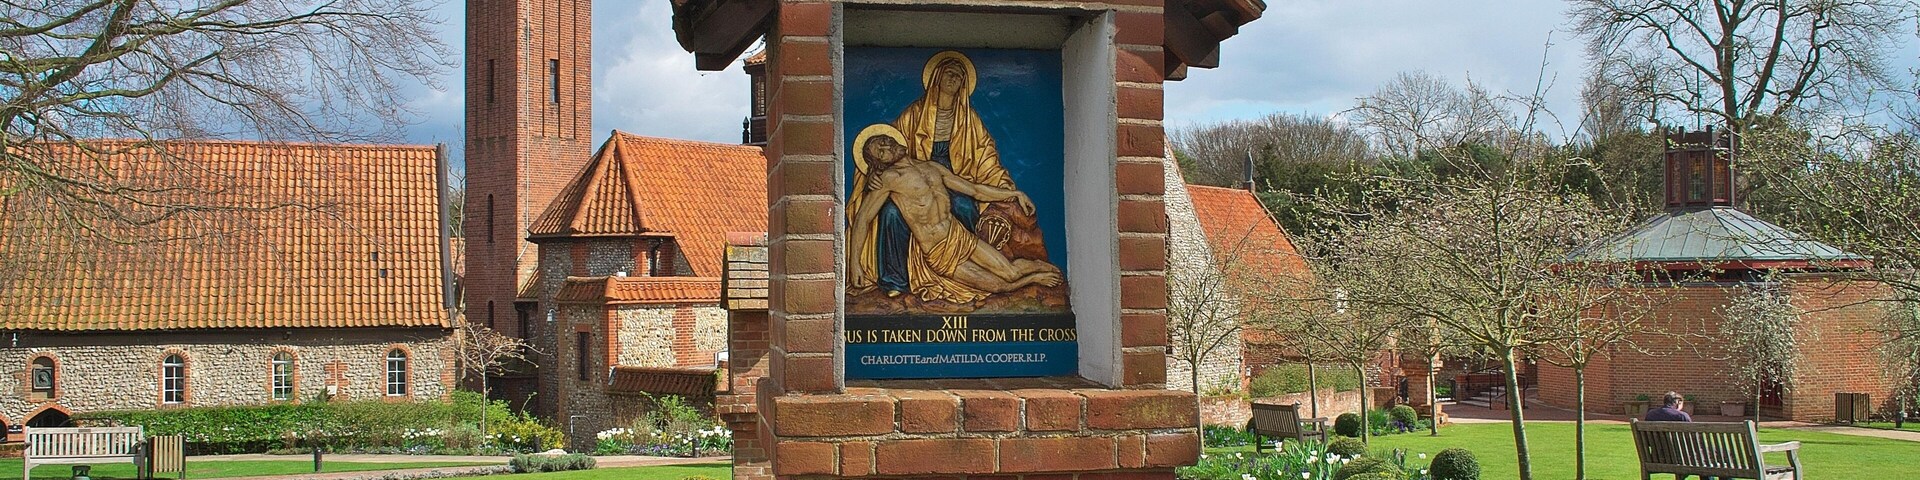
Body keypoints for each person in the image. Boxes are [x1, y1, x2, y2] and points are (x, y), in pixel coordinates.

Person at [848, 124, 1062, 304]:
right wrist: (855, 263)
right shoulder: (888, 179)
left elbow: (975, 190)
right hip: (940, 253)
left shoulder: (932, 168)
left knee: (1011, 272)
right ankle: (1035, 278)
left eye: (883, 140)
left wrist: (1015, 193)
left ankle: (1038, 266)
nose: (886, 145)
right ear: (879, 162)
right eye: (880, 151)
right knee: (999, 285)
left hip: (960, 236)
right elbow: (863, 219)